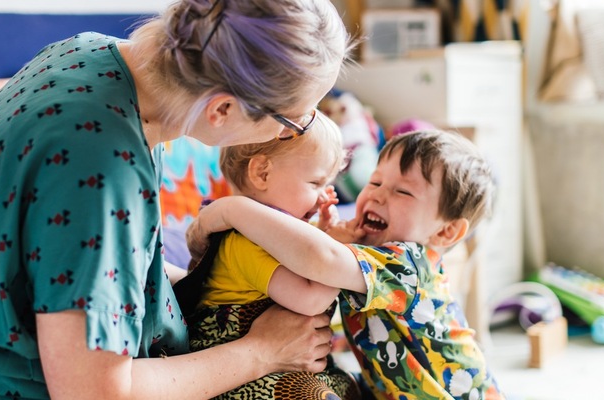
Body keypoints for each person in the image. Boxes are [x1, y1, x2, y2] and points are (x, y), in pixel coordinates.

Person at [0, 1, 352, 398]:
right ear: (222, 108)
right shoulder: (102, 167)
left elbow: (71, 265)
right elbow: (96, 392)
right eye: (294, 123)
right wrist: (260, 352)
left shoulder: (87, 53)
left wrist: (214, 274)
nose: (296, 131)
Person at [187, 129, 505, 399]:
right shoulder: (369, 251)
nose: (378, 196)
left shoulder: (408, 264)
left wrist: (233, 209)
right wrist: (327, 234)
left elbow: (322, 260)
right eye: (376, 182)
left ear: (446, 231)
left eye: (402, 191)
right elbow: (308, 258)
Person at [175, 111, 360, 399]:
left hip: (283, 364)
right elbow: (310, 299)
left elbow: (304, 260)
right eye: (315, 184)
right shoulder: (244, 243)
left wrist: (321, 234)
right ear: (262, 173)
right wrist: (336, 247)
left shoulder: (275, 236)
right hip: (242, 383)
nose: (324, 196)